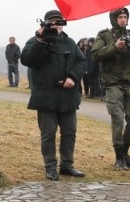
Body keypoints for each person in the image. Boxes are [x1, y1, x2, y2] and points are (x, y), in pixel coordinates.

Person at [21, 10, 87, 181]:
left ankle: (67, 165)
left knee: (70, 132)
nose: (56, 25)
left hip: (68, 96)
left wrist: (73, 77)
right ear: (45, 23)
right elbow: (27, 60)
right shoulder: (35, 40)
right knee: (48, 133)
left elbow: (81, 61)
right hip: (45, 96)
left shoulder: (70, 42)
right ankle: (50, 166)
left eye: (59, 22)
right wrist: (40, 40)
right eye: (52, 22)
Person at [90, 7, 130, 170]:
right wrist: (115, 47)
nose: (123, 19)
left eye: (125, 16)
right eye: (120, 17)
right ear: (114, 19)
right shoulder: (104, 35)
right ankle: (119, 157)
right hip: (112, 83)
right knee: (117, 120)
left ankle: (125, 152)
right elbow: (95, 55)